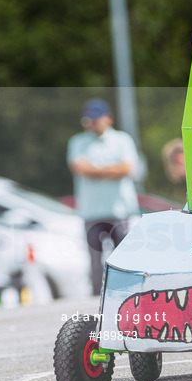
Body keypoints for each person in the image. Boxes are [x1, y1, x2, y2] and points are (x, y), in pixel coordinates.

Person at [68, 99, 140, 295]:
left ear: (108, 118)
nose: (92, 123)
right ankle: (97, 297)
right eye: (89, 120)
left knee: (124, 257)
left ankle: (128, 292)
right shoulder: (77, 142)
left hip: (119, 210)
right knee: (95, 260)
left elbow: (126, 168)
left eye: (96, 119)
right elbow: (79, 168)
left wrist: (95, 170)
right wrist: (111, 170)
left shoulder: (122, 140)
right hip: (92, 212)